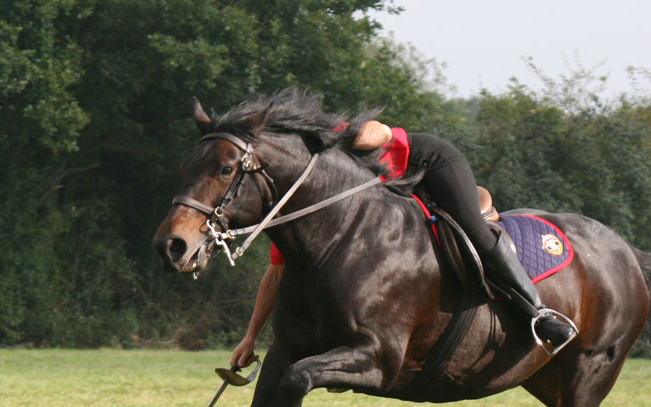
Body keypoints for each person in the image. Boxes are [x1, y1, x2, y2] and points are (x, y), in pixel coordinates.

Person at [231, 121, 578, 369]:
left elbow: (380, 131)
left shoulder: (327, 148)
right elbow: (275, 275)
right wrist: (250, 338)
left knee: (475, 229)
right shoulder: (298, 210)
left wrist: (346, 139)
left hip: (430, 163)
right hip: (400, 195)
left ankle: (540, 314)